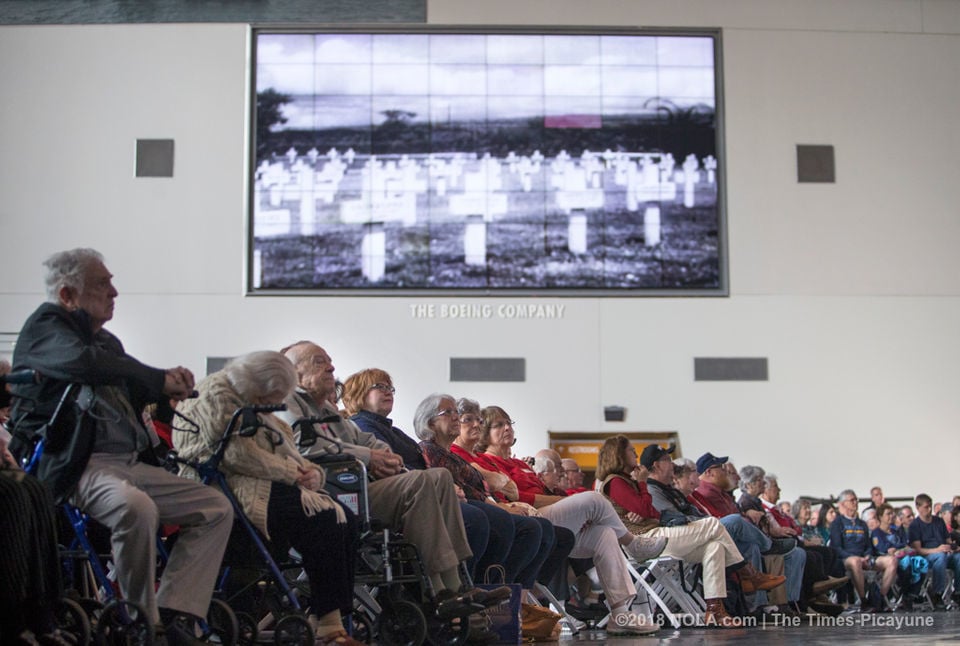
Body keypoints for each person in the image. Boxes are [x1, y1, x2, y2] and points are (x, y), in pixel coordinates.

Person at [7, 248, 233, 645]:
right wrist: (156, 376)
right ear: (67, 295)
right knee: (137, 508)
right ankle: (140, 621)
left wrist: (170, 385)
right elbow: (83, 365)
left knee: (215, 506)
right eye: (102, 283)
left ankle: (177, 609)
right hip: (79, 465)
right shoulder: (45, 328)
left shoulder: (105, 340)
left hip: (129, 462)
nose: (114, 292)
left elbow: (127, 378)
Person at [276, 342, 506, 607]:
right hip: (326, 494)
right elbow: (305, 446)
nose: (331, 366)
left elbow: (365, 439)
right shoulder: (287, 404)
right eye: (319, 361)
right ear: (295, 371)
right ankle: (438, 591)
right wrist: (367, 457)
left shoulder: (326, 410)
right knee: (421, 482)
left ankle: (458, 585)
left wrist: (385, 455)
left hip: (355, 488)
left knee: (440, 476)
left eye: (329, 360)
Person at [174, 351, 361, 645]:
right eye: (268, 398)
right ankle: (328, 624)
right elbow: (236, 455)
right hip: (224, 487)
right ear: (256, 383)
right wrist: (292, 472)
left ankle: (329, 617)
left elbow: (287, 449)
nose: (266, 406)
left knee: (346, 519)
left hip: (262, 483)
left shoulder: (249, 397)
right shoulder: (214, 395)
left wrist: (312, 473)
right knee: (324, 518)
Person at [471, 405, 668, 636]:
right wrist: (565, 504)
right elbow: (520, 498)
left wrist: (576, 512)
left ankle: (620, 613)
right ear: (485, 433)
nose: (506, 428)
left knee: (604, 534)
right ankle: (632, 544)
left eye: (508, 423)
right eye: (498, 425)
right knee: (594, 499)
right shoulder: (486, 462)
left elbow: (550, 493)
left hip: (552, 518)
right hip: (529, 519)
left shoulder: (522, 464)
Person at [416, 394, 572, 636]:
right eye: (450, 414)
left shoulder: (453, 455)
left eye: (464, 416)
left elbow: (485, 489)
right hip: (456, 508)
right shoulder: (429, 450)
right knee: (502, 522)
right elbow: (456, 488)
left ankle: (510, 597)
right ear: (430, 423)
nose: (458, 419)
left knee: (539, 529)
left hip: (479, 503)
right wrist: (499, 505)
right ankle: (482, 596)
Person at [595, 435, 783, 628]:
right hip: (642, 542)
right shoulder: (616, 482)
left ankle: (715, 610)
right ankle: (748, 573)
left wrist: (643, 509)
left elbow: (652, 513)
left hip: (655, 534)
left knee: (715, 546)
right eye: (630, 450)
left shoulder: (629, 481)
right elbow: (644, 509)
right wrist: (643, 486)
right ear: (618, 454)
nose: (635, 453)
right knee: (712, 524)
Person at [830, 489, 898, 612]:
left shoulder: (862, 524)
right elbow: (836, 548)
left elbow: (868, 546)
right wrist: (857, 558)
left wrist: (867, 555)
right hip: (846, 559)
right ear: (843, 504)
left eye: (856, 500)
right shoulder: (837, 523)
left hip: (864, 558)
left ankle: (880, 597)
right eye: (852, 500)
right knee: (855, 561)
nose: (855, 502)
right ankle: (863, 600)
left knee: (891, 561)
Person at [908, 493, 960, 608]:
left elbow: (948, 540)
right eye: (926, 507)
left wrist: (952, 547)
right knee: (940, 557)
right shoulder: (915, 525)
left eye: (930, 506)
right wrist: (937, 550)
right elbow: (918, 549)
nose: (929, 509)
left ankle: (957, 592)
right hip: (927, 556)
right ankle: (937, 593)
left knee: (958, 558)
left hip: (943, 552)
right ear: (918, 507)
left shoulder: (939, 521)